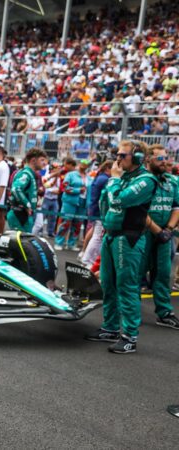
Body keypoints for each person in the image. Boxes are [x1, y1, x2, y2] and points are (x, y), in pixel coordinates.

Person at [85, 140, 157, 354]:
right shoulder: (123, 178)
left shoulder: (146, 180)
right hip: (112, 236)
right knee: (107, 283)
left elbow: (120, 200)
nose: (117, 158)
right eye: (117, 154)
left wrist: (114, 180)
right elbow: (106, 204)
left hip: (129, 239)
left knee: (126, 287)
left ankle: (129, 336)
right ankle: (110, 327)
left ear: (136, 158)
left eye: (122, 155)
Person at [141, 144, 179, 329]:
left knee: (163, 273)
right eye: (160, 158)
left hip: (165, 234)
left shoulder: (172, 181)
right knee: (135, 274)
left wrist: (169, 229)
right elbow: (140, 211)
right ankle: (128, 311)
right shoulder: (143, 180)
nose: (165, 161)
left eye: (166, 158)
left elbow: (176, 207)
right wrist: (158, 230)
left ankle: (164, 313)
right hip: (143, 233)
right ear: (148, 159)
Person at [7, 148, 48, 232]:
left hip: (24, 215)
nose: (44, 163)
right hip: (19, 215)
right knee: (20, 243)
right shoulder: (26, 173)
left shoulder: (31, 174)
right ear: (33, 160)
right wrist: (28, 205)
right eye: (42, 160)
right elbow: (16, 189)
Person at [81, 161, 112, 268]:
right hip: (99, 212)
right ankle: (88, 260)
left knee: (96, 235)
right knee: (97, 237)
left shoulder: (100, 177)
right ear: (108, 168)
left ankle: (87, 259)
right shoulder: (105, 179)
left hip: (95, 210)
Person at [54, 158, 86, 250]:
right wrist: (78, 190)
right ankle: (59, 242)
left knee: (77, 224)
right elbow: (65, 187)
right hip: (70, 201)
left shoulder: (89, 177)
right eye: (82, 163)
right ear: (79, 165)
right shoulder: (71, 175)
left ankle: (71, 244)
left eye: (86, 164)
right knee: (66, 222)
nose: (84, 165)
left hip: (83, 203)